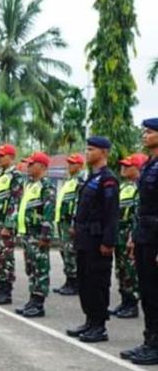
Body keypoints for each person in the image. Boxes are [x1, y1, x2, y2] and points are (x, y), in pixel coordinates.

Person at [66, 136, 119, 343]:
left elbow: (111, 213)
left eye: (91, 149)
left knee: (98, 282)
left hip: (98, 240)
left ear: (103, 152)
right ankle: (89, 320)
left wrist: (108, 241)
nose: (87, 152)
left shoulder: (108, 179)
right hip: (85, 239)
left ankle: (99, 325)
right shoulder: (91, 178)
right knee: (85, 280)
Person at [122, 118, 158, 365]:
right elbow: (141, 206)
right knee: (146, 291)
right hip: (145, 234)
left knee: (156, 292)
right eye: (144, 131)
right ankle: (149, 340)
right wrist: (134, 236)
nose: (145, 135)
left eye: (150, 132)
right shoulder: (148, 166)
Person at [15, 152, 55, 318]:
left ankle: (39, 303)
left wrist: (45, 235)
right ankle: (33, 299)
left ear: (42, 166)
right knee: (31, 267)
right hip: (28, 234)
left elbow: (49, 211)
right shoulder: (30, 184)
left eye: (32, 164)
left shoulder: (46, 186)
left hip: (38, 234)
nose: (28, 167)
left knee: (40, 268)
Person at [0, 144, 24, 305]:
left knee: (5, 256)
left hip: (4, 224)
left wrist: (9, 225)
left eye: (2, 155)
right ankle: (0, 286)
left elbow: (15, 201)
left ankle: (6, 290)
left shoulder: (16, 176)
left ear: (11, 157)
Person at [111, 153, 147, 318]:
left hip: (129, 233)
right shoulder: (124, 187)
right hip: (119, 233)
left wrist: (133, 236)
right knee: (121, 269)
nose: (123, 168)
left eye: (128, 165)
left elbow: (137, 215)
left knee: (131, 271)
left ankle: (132, 304)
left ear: (137, 168)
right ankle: (124, 300)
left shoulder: (140, 188)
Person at [53, 153, 86, 295]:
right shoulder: (69, 181)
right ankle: (69, 280)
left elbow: (78, 204)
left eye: (73, 163)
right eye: (69, 163)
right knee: (64, 251)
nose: (69, 166)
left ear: (80, 166)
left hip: (70, 222)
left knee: (71, 252)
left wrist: (74, 223)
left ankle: (75, 282)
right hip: (62, 222)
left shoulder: (79, 182)